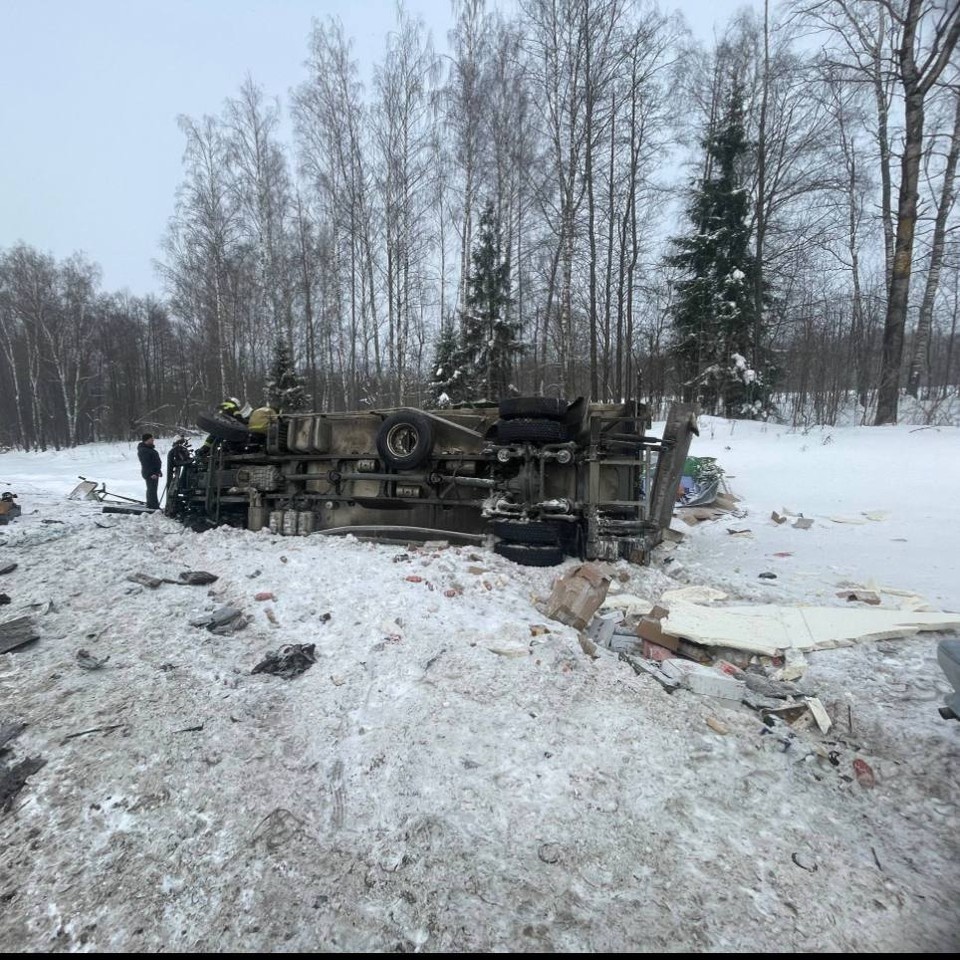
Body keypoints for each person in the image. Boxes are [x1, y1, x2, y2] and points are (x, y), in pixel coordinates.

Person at [137, 433, 163, 509]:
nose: (153, 440)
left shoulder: (149, 449)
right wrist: (151, 473)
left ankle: (154, 505)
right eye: (151, 439)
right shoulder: (144, 450)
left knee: (153, 489)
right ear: (147, 440)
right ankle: (152, 506)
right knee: (151, 490)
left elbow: (155, 462)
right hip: (150, 474)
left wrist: (158, 471)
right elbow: (146, 464)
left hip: (154, 473)